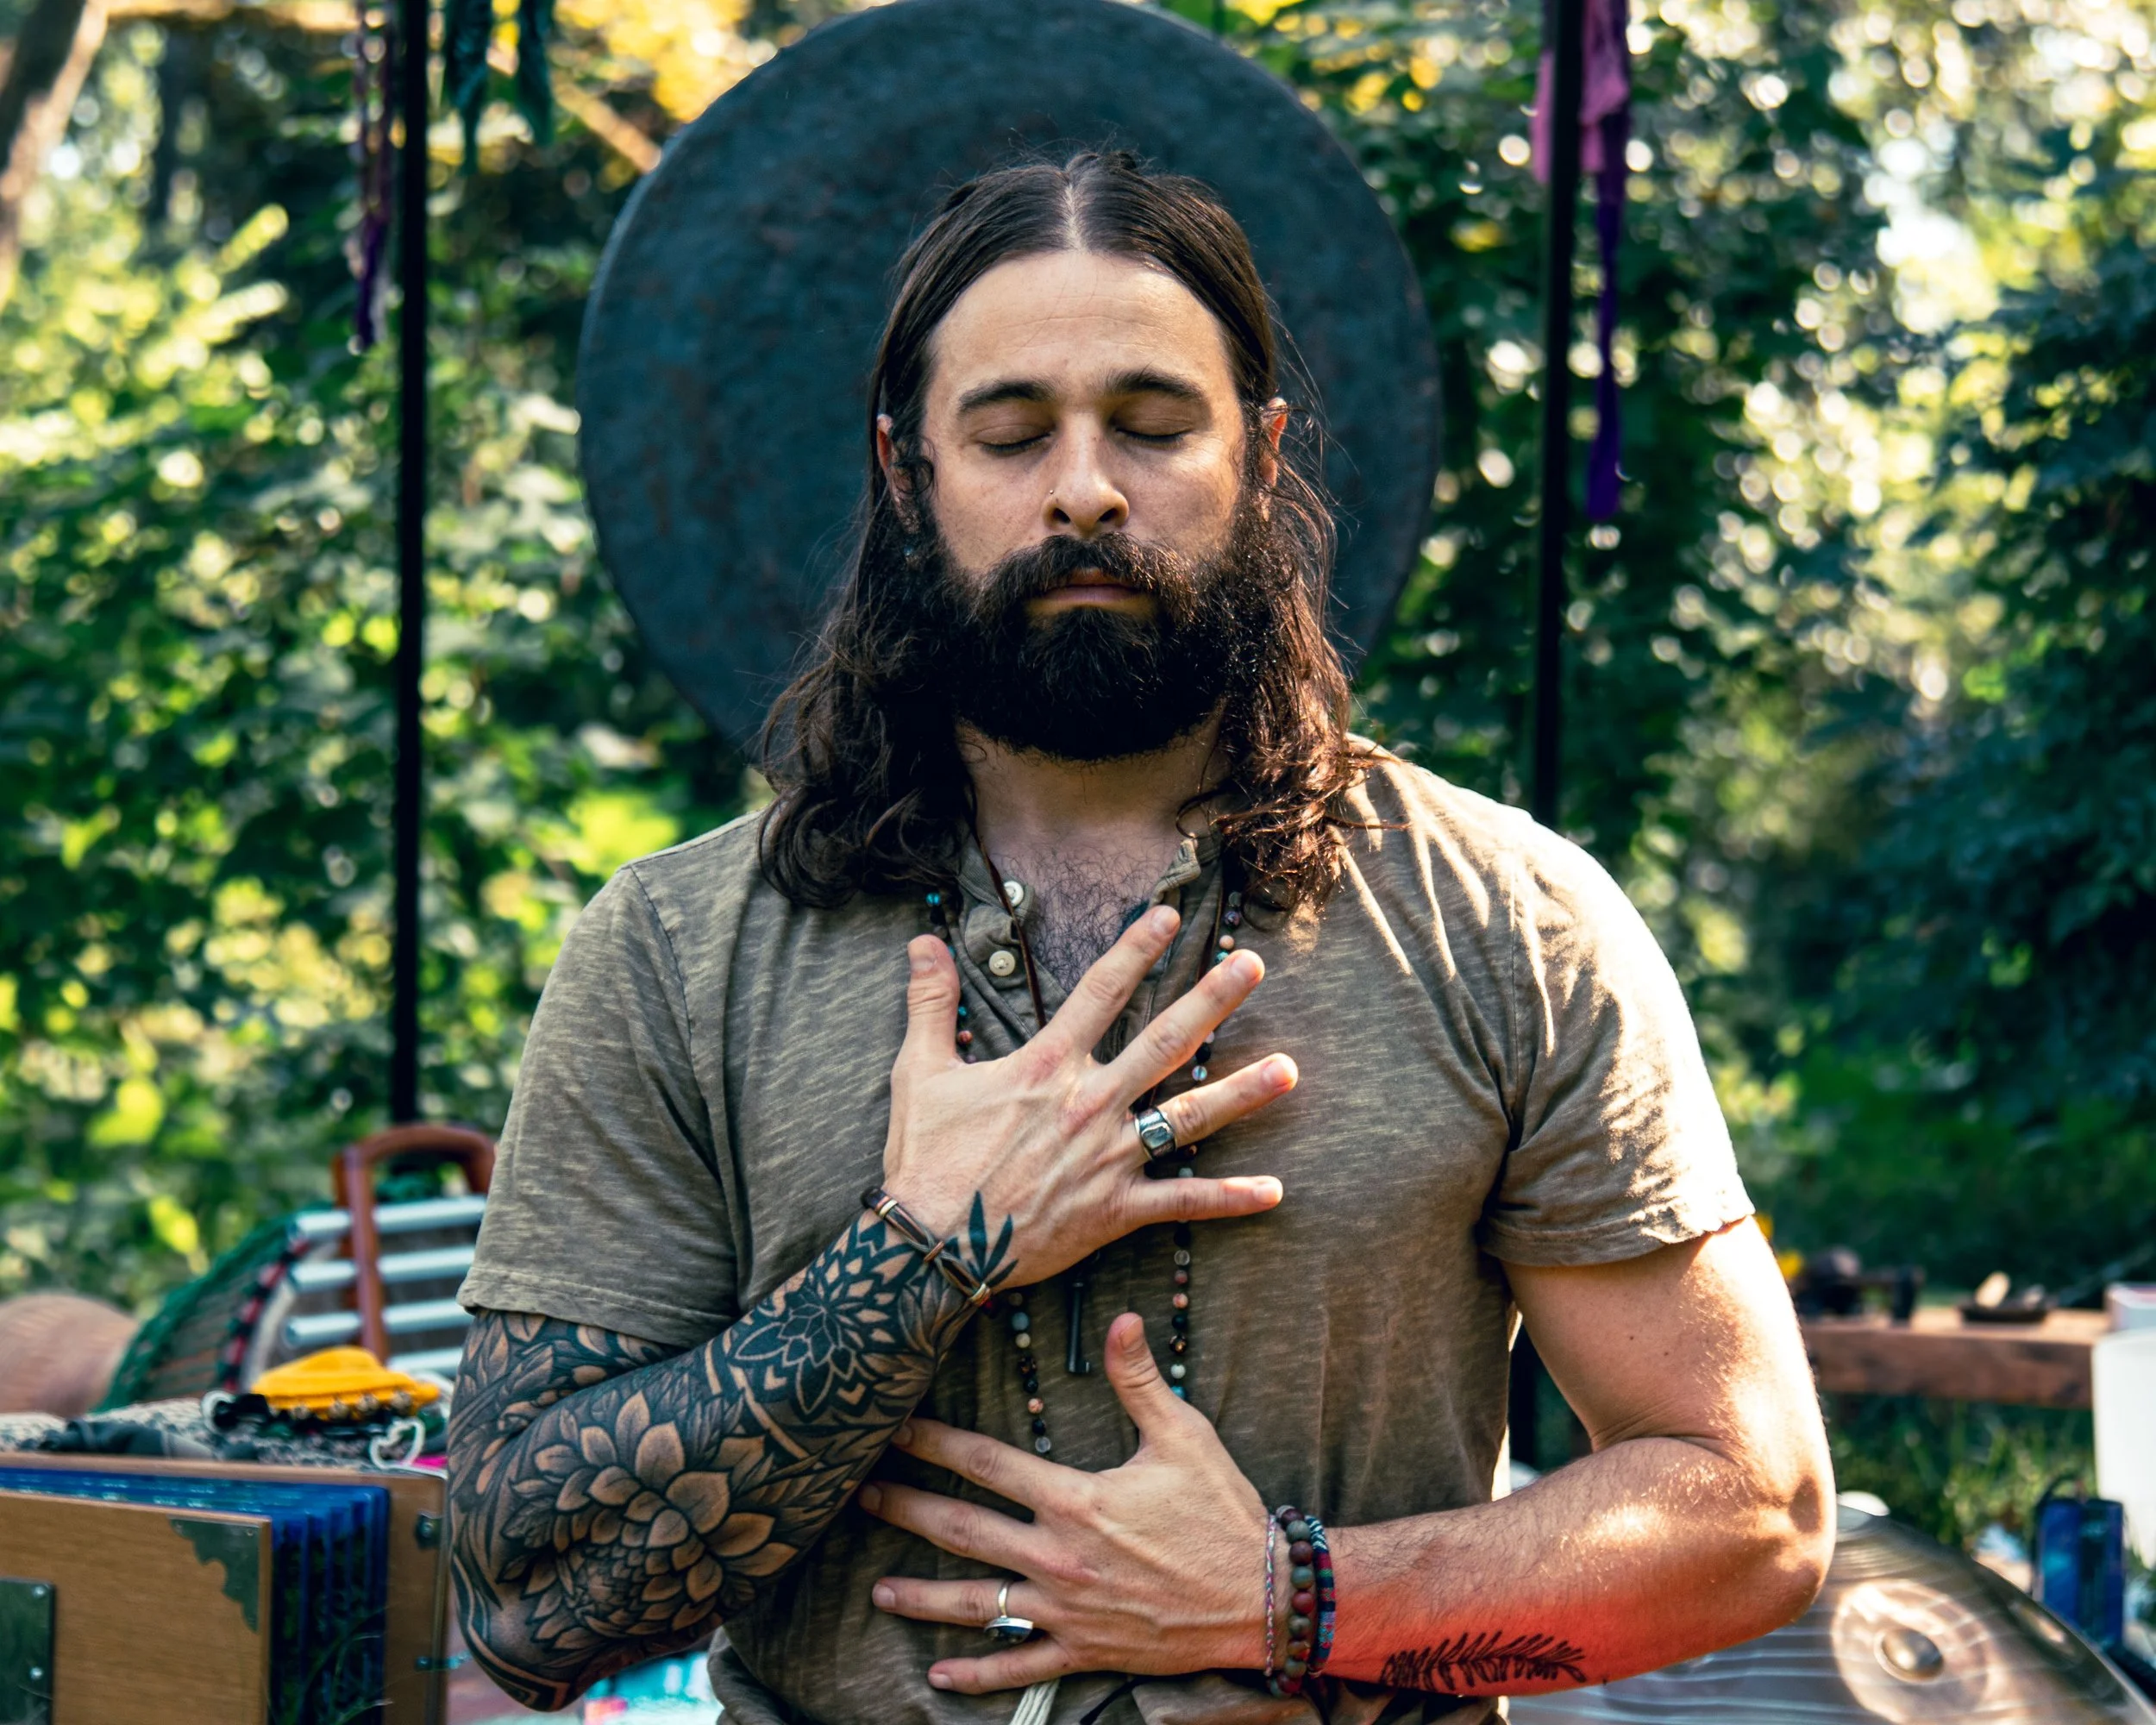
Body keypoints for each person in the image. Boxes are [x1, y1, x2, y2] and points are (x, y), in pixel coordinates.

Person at [449, 151, 1833, 1725]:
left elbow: (1754, 1516)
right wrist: (919, 1259)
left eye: (1156, 424)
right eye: (1013, 431)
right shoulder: (674, 954)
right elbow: (520, 1593)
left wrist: (1293, 1599)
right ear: (907, 476)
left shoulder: (1509, 922)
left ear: (1259, 457)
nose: (1086, 488)